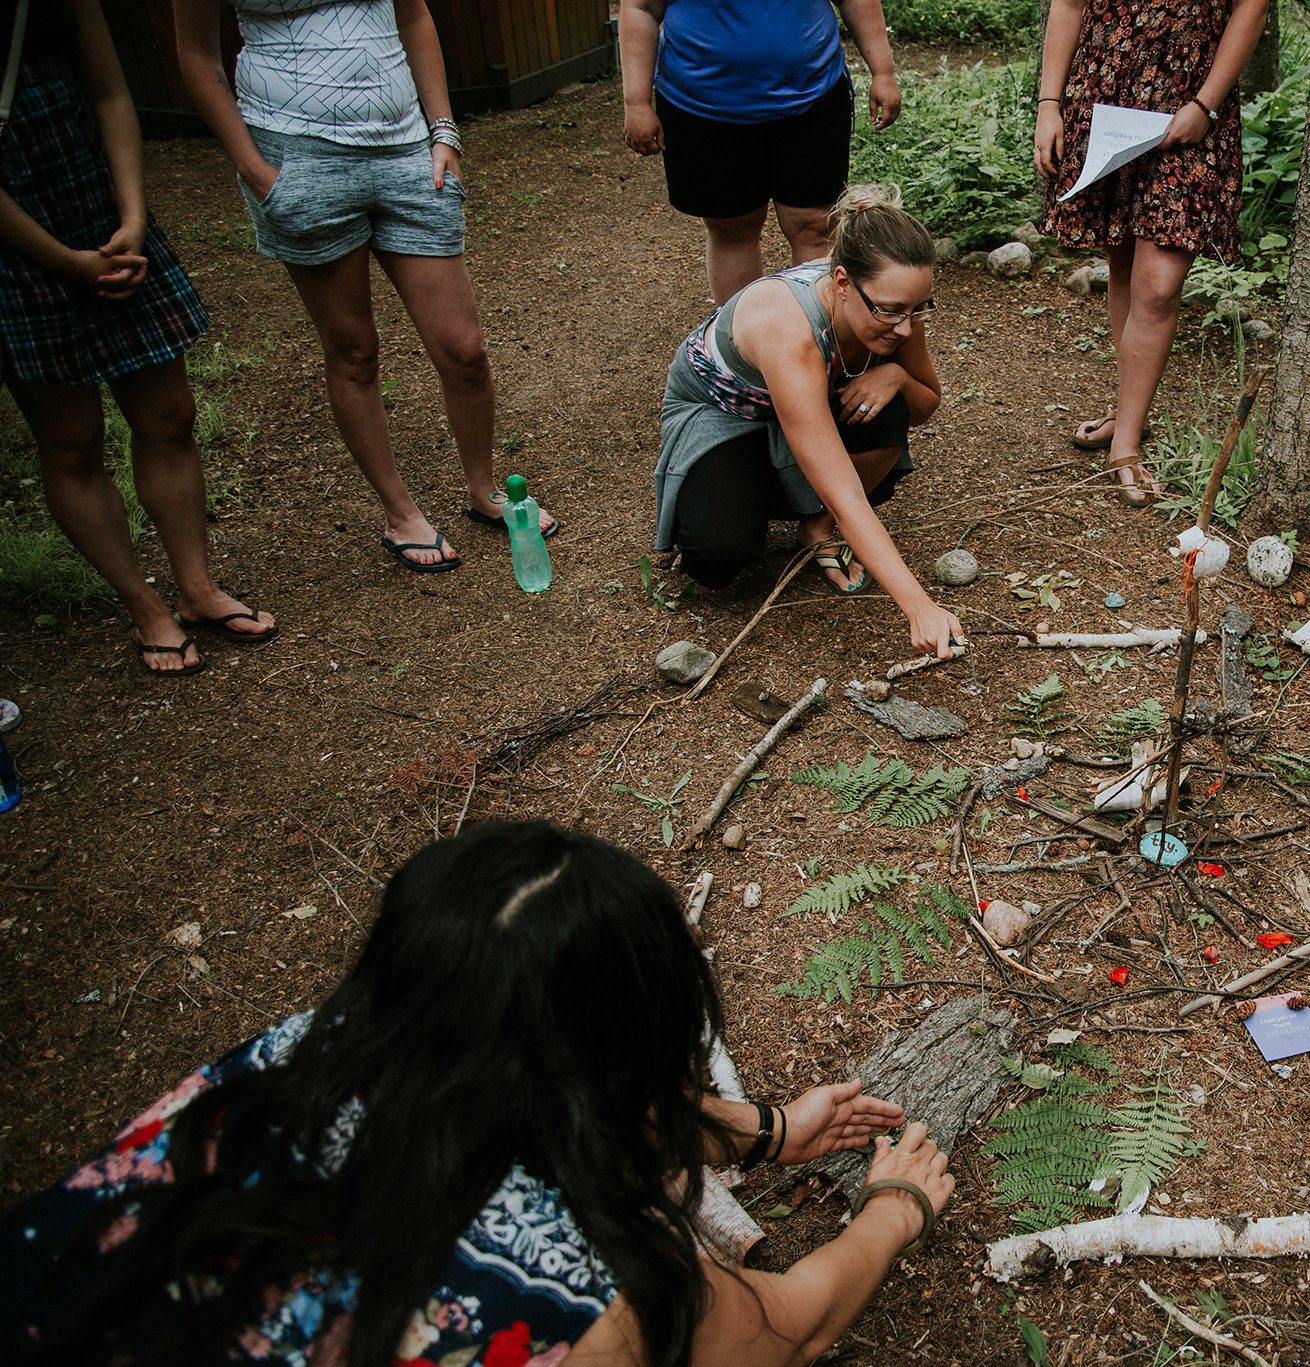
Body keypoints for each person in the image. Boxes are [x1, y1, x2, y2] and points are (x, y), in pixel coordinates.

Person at [1, 821, 955, 1366]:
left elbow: (534, 1074)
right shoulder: (576, 1298)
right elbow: (791, 1327)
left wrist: (764, 1132)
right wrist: (892, 1210)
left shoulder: (297, 1054)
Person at [173, 0, 555, 574]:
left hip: (407, 150)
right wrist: (255, 171)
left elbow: (415, 15)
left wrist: (444, 130)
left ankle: (483, 490)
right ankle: (400, 514)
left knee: (465, 349)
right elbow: (197, 53)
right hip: (294, 156)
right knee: (354, 350)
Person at [0, 0, 273, 676]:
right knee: (71, 440)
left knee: (168, 411)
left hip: (95, 196)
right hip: (15, 237)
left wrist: (131, 212)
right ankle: (144, 605)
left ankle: (197, 587)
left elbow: (112, 91)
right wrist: (63, 262)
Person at [653, 184, 964, 660]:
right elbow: (844, 489)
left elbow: (924, 406)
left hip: (806, 404)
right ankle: (737, 488)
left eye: (916, 309)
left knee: (887, 405)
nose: (904, 326)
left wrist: (897, 376)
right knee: (719, 557)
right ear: (841, 283)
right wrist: (918, 606)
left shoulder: (894, 304)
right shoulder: (790, 329)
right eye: (891, 310)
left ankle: (814, 524)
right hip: (724, 412)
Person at [1035, 0, 1269, 505]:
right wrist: (1049, 104)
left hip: (1192, 109)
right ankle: (1128, 413)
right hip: (1105, 94)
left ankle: (1126, 443)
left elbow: (1252, 7)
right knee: (1123, 264)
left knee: (1159, 286)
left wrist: (1206, 105)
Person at [620, 0, 900, 306]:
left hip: (812, 94)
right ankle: (743, 340)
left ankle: (819, 335)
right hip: (702, 105)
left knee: (816, 224)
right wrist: (637, 102)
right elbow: (640, 8)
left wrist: (883, 71)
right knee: (732, 227)